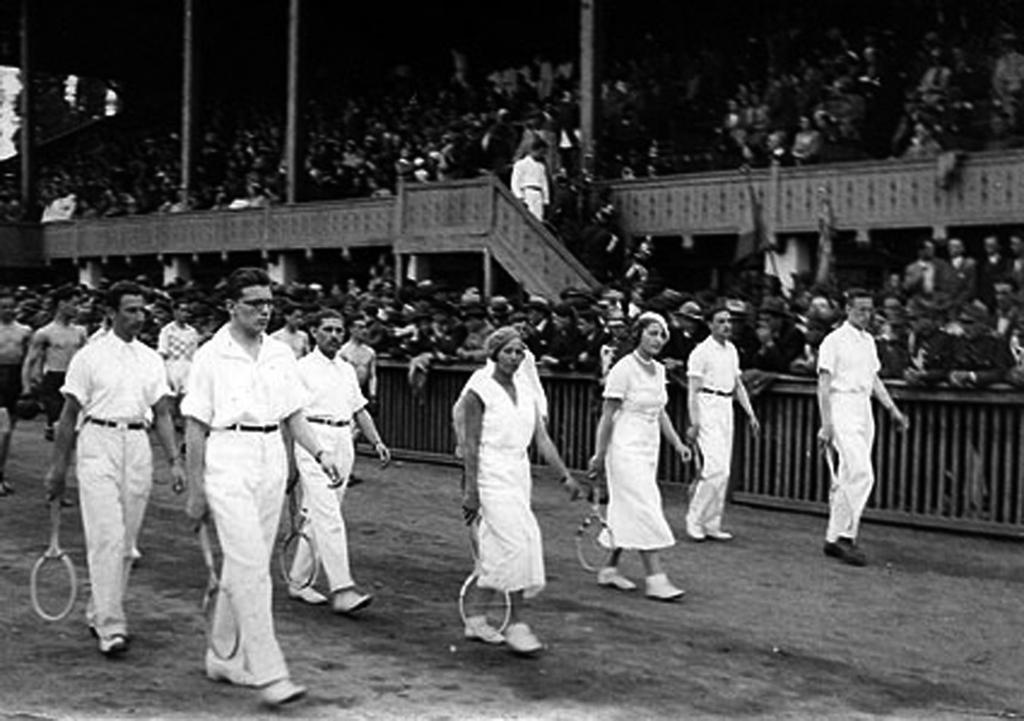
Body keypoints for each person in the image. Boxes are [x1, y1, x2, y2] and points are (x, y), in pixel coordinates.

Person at [181, 267, 347, 706]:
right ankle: (270, 672)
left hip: (271, 456)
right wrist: (196, 490)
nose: (264, 311)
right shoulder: (209, 356)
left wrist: (321, 453)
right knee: (253, 567)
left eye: (269, 303)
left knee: (243, 564)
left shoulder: (279, 353)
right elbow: (195, 426)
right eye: (254, 303)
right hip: (227, 457)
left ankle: (222, 656)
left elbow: (294, 414)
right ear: (231, 306)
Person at [42, 281, 185, 656]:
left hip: (137, 444)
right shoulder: (89, 357)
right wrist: (57, 469)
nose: (139, 317)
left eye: (142, 310)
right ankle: (111, 625)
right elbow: (69, 415)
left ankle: (99, 610)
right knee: (107, 536)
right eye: (131, 310)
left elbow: (164, 414)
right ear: (111, 312)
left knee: (126, 544)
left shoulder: (151, 358)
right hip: (97, 442)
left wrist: (175, 460)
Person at [458, 327, 582, 654]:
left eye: (519, 352)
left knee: (516, 545)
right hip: (488, 474)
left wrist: (565, 476)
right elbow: (469, 445)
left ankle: (475, 617)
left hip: (518, 474)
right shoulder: (478, 389)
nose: (515, 357)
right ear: (494, 354)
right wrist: (471, 491)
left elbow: (541, 439)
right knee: (514, 545)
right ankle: (517, 624)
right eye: (508, 351)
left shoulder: (527, 390)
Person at [286, 309, 390, 612]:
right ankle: (343, 589)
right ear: (315, 333)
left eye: (338, 330)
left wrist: (377, 441)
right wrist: (296, 457)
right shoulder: (301, 368)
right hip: (313, 440)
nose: (334, 335)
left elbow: (360, 409)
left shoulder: (345, 369)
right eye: (328, 329)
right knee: (328, 515)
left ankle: (298, 581)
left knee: (319, 514)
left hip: (345, 440)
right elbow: (291, 416)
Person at [587, 312, 691, 601]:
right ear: (639, 334)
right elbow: (607, 416)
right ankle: (656, 578)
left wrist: (678, 443)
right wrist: (599, 454)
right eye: (652, 333)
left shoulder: (659, 370)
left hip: (648, 448)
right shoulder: (623, 368)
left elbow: (661, 412)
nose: (658, 339)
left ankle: (609, 569)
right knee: (645, 505)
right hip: (623, 447)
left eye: (662, 335)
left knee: (626, 508)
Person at [817, 289, 909, 567]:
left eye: (869, 310)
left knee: (849, 475)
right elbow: (823, 384)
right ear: (847, 309)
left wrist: (892, 410)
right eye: (860, 310)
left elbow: (874, 381)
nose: (866, 315)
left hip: (863, 408)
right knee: (862, 473)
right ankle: (844, 537)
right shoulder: (832, 341)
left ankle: (835, 538)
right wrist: (826, 423)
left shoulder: (869, 341)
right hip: (841, 404)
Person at [685, 304, 761, 541]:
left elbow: (738, 385)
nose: (726, 325)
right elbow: (693, 391)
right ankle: (694, 519)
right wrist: (695, 422)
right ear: (709, 324)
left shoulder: (731, 350)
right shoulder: (700, 352)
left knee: (724, 471)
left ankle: (712, 523)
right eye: (720, 321)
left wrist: (750, 413)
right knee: (713, 468)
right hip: (707, 405)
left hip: (726, 407)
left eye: (728, 321)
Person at [22, 286, 87, 441]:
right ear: (61, 304)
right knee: (57, 419)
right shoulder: (45, 333)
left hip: (75, 378)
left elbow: (87, 359)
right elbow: (30, 360)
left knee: (75, 422)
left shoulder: (80, 331)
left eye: (78, 304)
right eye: (73, 304)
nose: (76, 308)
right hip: (54, 377)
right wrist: (26, 386)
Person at [0, 291, 31, 494]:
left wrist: (27, 385)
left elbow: (29, 359)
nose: (8, 310)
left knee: (9, 431)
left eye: (11, 306)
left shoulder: (25, 331)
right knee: (2, 429)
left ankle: (2, 472)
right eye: (3, 307)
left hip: (15, 378)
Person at [156, 300, 200, 418]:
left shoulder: (192, 332)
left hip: (187, 365)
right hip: (172, 364)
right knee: (171, 394)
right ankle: (169, 420)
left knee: (186, 394)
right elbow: (163, 351)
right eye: (182, 310)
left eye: (187, 311)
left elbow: (194, 352)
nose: (185, 314)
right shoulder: (167, 330)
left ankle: (182, 420)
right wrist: (163, 370)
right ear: (175, 312)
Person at [510, 138, 550, 221]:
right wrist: (519, 196)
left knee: (538, 218)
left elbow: (544, 183)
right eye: (541, 152)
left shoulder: (541, 166)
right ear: (534, 150)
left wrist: (546, 199)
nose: (542, 155)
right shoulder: (520, 164)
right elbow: (515, 182)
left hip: (538, 194)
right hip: (527, 192)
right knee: (528, 218)